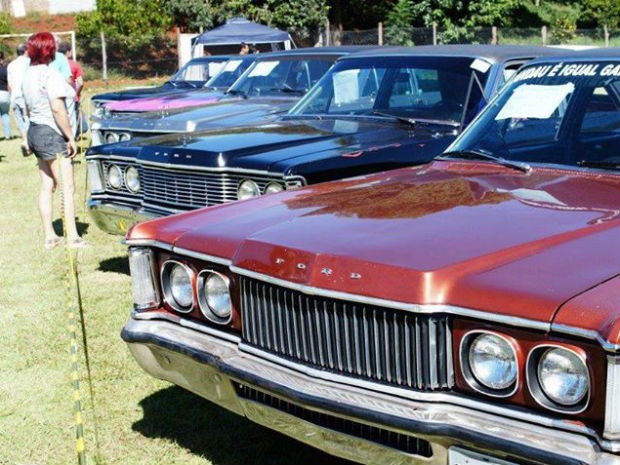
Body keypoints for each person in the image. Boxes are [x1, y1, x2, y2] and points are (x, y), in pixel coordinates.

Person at [22, 32, 86, 249]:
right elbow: (58, 109)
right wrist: (70, 137)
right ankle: (73, 237)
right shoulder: (50, 75)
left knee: (47, 185)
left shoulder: (27, 75)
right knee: (67, 186)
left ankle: (50, 236)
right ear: (49, 50)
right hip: (51, 132)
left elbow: (27, 108)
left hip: (35, 130)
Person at [58, 41, 85, 136]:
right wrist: (77, 93)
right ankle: (72, 138)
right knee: (72, 118)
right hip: (71, 95)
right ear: (68, 52)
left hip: (56, 95)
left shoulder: (54, 64)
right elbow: (80, 83)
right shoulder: (74, 64)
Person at [7, 43, 30, 153]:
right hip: (24, 96)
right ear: (26, 51)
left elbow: (9, 84)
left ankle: (25, 142)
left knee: (20, 121)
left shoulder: (11, 65)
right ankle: (30, 144)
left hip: (14, 96)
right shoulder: (28, 62)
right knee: (28, 119)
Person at [0, 51, 13, 140]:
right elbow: (9, 84)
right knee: (5, 114)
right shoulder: (6, 69)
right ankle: (7, 135)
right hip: (4, 93)